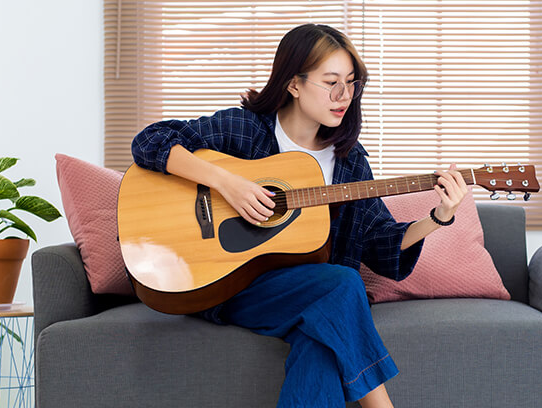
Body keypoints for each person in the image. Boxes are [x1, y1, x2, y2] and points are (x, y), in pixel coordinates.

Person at [131, 23, 468, 408]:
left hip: (305, 293)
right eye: (331, 82)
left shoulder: (349, 162)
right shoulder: (246, 130)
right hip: (226, 285)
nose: (344, 95)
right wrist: (227, 183)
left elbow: (380, 244)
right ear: (293, 84)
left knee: (321, 343)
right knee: (342, 285)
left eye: (352, 82)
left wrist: (440, 216)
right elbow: (150, 141)